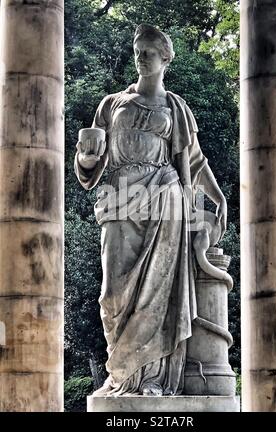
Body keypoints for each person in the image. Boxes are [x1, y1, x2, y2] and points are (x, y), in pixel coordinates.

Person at [74, 24, 227, 396]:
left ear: (165, 58)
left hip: (164, 198)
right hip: (120, 197)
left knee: (158, 294)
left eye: (148, 52)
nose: (140, 58)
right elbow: (90, 161)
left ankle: (152, 380)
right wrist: (87, 157)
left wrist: (218, 195)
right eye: (138, 50)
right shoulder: (111, 104)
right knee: (112, 294)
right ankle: (121, 375)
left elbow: (194, 159)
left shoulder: (176, 107)